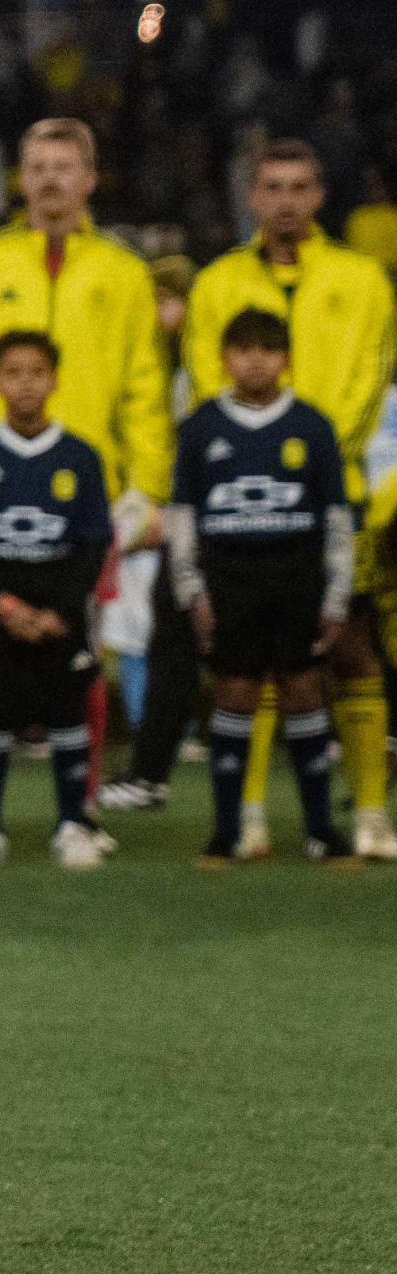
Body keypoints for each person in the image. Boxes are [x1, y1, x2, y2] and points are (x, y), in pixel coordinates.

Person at [0, 118, 165, 853]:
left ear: (90, 179)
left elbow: (145, 386)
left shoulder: (124, 272)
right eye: (38, 166)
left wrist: (147, 488)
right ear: (20, 180)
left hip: (84, 500)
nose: (51, 178)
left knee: (80, 657)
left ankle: (81, 809)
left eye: (65, 166)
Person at [147, 141, 395, 858]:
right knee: (244, 660)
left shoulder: (363, 279)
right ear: (251, 198)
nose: (286, 200)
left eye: (299, 187)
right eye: (272, 187)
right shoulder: (218, 282)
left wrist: (313, 451)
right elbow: (203, 374)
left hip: (335, 491)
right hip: (237, 505)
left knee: (352, 648)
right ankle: (249, 816)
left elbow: (373, 375)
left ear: (319, 196)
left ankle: (372, 814)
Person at [166, 308, 360, 865]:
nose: (256, 360)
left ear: (286, 359)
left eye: (269, 350)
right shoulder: (201, 427)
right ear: (225, 358)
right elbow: (182, 515)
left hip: (297, 573)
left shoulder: (312, 425)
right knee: (234, 691)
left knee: (303, 689)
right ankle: (227, 830)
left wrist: (337, 595)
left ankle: (320, 830)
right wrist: (190, 590)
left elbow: (336, 516)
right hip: (229, 575)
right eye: (244, 350)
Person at [0, 329, 115, 871]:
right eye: (13, 373)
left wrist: (60, 609)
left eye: (37, 372)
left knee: (67, 708)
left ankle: (74, 824)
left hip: (61, 605)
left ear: (54, 381)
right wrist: (2, 605)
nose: (25, 384)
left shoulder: (80, 455)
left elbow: (93, 542)